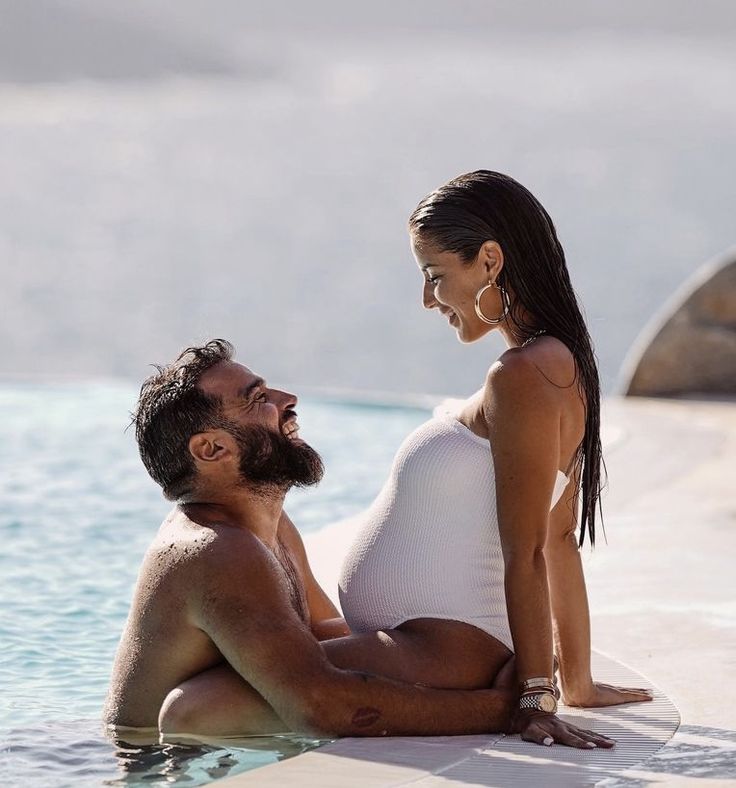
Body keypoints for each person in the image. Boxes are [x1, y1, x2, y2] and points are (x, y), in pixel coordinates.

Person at [338, 170, 653, 747]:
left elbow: (529, 548)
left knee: (216, 685)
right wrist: (575, 680)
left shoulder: (523, 376)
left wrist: (536, 699)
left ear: (488, 260)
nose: (428, 299)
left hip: (446, 650)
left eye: (435, 276)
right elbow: (560, 537)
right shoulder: (554, 364)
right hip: (435, 644)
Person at [104, 340, 520, 738]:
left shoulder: (269, 527)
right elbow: (320, 704)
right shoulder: (216, 550)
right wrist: (502, 708)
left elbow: (324, 634)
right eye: (257, 398)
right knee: (197, 705)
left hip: (200, 750)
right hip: (158, 766)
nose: (288, 398)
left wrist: (481, 640)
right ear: (212, 449)